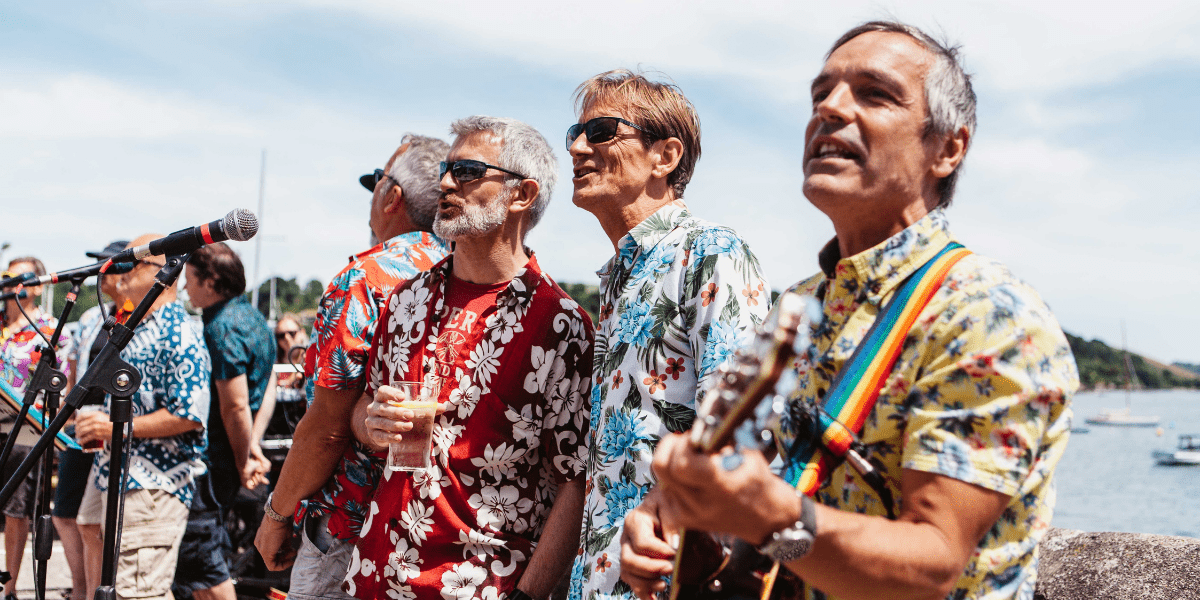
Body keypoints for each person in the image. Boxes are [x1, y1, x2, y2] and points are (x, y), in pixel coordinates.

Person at [620, 22, 1080, 600]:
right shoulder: (800, 302)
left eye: (875, 93)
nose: (830, 109)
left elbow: (933, 565)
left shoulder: (988, 314)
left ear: (949, 148)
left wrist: (769, 519)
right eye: (821, 94)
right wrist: (671, 521)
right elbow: (757, 490)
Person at [345, 115, 593, 600]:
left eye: (467, 171)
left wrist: (528, 596)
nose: (444, 182)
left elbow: (576, 480)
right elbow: (362, 409)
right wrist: (370, 423)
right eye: (445, 168)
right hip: (375, 573)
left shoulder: (560, 324)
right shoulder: (407, 300)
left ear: (520, 195)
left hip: (479, 585)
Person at [565, 70, 771, 600]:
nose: (577, 146)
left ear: (666, 156)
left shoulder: (710, 253)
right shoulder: (620, 277)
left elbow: (741, 433)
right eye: (575, 133)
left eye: (602, 130)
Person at [254, 133, 453, 600]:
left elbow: (326, 429)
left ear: (393, 198)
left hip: (349, 526)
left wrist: (276, 516)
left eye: (378, 182)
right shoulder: (461, 274)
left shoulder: (366, 279)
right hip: (427, 523)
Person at [74, 235, 211, 600]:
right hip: (117, 473)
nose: (121, 272)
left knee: (139, 592)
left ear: (159, 271)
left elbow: (189, 415)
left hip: (152, 484)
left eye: (131, 263)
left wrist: (108, 427)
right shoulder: (137, 326)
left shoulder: (179, 333)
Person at [172, 242, 275, 600]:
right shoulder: (254, 318)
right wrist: (252, 446)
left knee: (200, 561)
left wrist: (243, 457)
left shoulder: (221, 327)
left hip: (215, 461)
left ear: (211, 281)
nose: (185, 288)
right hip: (229, 454)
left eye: (190, 280)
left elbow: (235, 405)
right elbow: (269, 386)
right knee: (203, 559)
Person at [58, 241, 129, 600]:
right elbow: (75, 362)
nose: (100, 273)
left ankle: (94, 590)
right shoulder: (90, 317)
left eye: (106, 265)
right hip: (82, 423)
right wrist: (69, 405)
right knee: (66, 513)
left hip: (113, 427)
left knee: (98, 520)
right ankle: (81, 588)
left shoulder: (137, 316)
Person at [0, 256, 70, 600]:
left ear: (38, 285)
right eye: (7, 277)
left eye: (22, 278)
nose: (13, 284)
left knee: (16, 510)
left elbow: (64, 385)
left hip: (24, 430)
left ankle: (8, 587)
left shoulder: (50, 329)